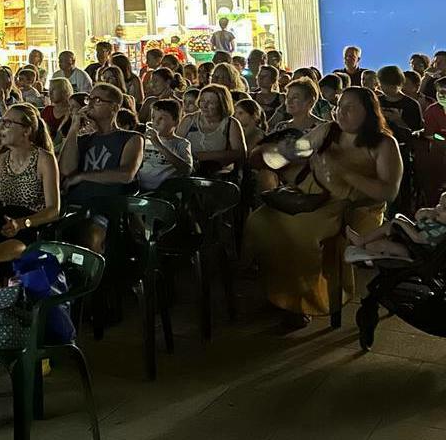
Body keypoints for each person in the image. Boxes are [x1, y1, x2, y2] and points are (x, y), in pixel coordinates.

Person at [245, 87, 403, 327]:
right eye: (339, 106)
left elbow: (389, 191)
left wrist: (346, 174)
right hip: (317, 198)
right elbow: (299, 149)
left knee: (298, 233)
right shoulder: (328, 130)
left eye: (350, 107)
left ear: (369, 112)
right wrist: (277, 154)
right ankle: (278, 294)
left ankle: (300, 305)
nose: (341, 112)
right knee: (262, 221)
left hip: (355, 208)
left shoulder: (384, 143)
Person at [60, 82, 144, 252]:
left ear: (114, 107)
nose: (89, 105)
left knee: (92, 234)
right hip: (74, 207)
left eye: (97, 100)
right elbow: (66, 170)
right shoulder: (83, 140)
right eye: (88, 99)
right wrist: (74, 127)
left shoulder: (131, 138)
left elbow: (125, 174)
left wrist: (82, 176)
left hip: (108, 209)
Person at [0, 103, 60, 262]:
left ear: (26, 130)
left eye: (8, 123)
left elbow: (53, 210)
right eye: (1, 122)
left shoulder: (44, 159)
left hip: (32, 228)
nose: (1, 127)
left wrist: (22, 223)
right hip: (3, 225)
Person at [345, 191, 446, 263]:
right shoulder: (436, 220)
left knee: (383, 244)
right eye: (439, 204)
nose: (438, 208)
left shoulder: (441, 231)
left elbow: (418, 238)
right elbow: (417, 218)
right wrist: (425, 212)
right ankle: (362, 241)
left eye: (444, 208)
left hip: (415, 252)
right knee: (387, 228)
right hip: (406, 241)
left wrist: (401, 223)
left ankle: (371, 251)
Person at [177, 85, 246, 176]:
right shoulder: (189, 120)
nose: (204, 106)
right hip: (188, 171)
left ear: (221, 104)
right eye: (202, 101)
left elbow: (240, 154)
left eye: (211, 103)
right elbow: (175, 146)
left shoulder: (231, 123)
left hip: (218, 174)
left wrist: (202, 156)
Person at [137, 99, 194, 191]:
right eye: (153, 118)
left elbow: (186, 169)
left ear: (175, 122)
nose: (156, 122)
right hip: (140, 189)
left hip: (166, 191)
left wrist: (158, 144)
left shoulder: (181, 143)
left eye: (161, 118)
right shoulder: (144, 141)